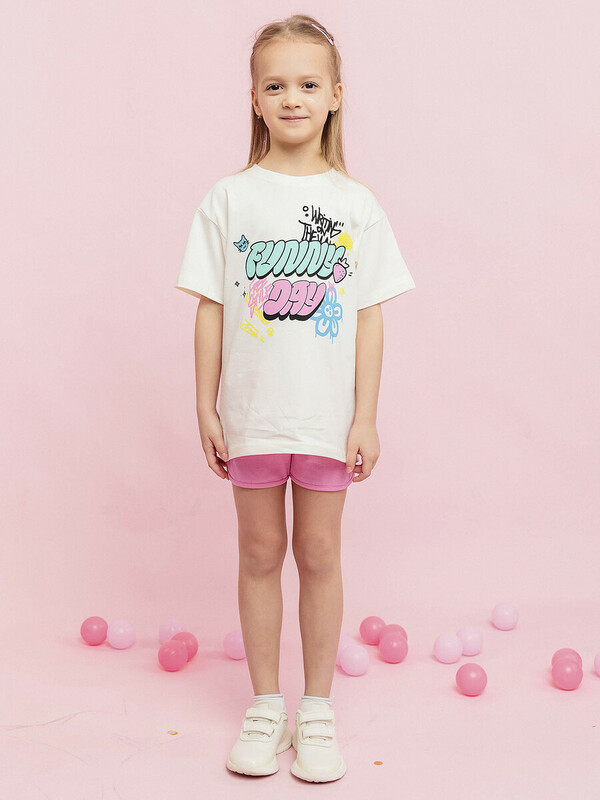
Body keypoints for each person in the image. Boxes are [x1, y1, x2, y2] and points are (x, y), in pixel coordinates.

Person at [175, 14, 416, 783]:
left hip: (324, 421)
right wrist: (207, 405)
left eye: (308, 84)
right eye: (275, 85)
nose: (292, 98)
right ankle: (265, 706)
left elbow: (370, 315)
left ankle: (316, 710)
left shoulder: (356, 205)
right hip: (252, 416)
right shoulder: (229, 199)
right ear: (253, 98)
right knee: (257, 554)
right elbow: (210, 306)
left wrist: (366, 415)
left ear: (336, 95)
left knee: (318, 554)